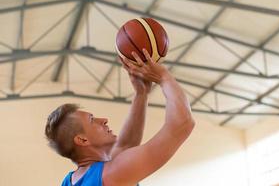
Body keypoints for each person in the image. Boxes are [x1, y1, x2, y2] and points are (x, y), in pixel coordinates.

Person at [45, 49, 195, 186]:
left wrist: (141, 94)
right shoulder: (111, 175)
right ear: (83, 140)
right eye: (92, 120)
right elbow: (182, 124)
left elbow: (126, 145)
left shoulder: (70, 181)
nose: (103, 120)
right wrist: (163, 77)